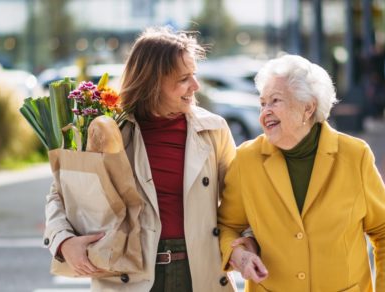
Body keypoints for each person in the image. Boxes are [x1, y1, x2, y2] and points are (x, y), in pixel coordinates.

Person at [44, 26, 245, 291]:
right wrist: (63, 242)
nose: (195, 86)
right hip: (127, 277)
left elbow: (240, 204)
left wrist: (246, 245)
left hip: (200, 278)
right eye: (183, 78)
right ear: (153, 81)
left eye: (194, 75)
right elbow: (61, 193)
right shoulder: (106, 129)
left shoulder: (214, 130)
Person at [217, 55, 385, 292]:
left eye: (275, 101)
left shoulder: (354, 156)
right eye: (262, 104)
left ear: (308, 108)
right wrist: (238, 255)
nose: (265, 113)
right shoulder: (246, 159)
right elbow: (226, 226)